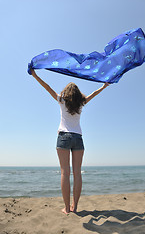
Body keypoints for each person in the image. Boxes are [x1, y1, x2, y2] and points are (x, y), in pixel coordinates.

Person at [30, 68, 110, 214]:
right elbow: (94, 94)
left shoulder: (61, 100)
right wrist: (103, 86)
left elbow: (47, 87)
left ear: (66, 93)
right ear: (78, 94)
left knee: (64, 173)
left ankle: (67, 208)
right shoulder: (81, 103)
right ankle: (75, 207)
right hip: (78, 138)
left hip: (63, 137)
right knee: (77, 174)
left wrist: (35, 75)